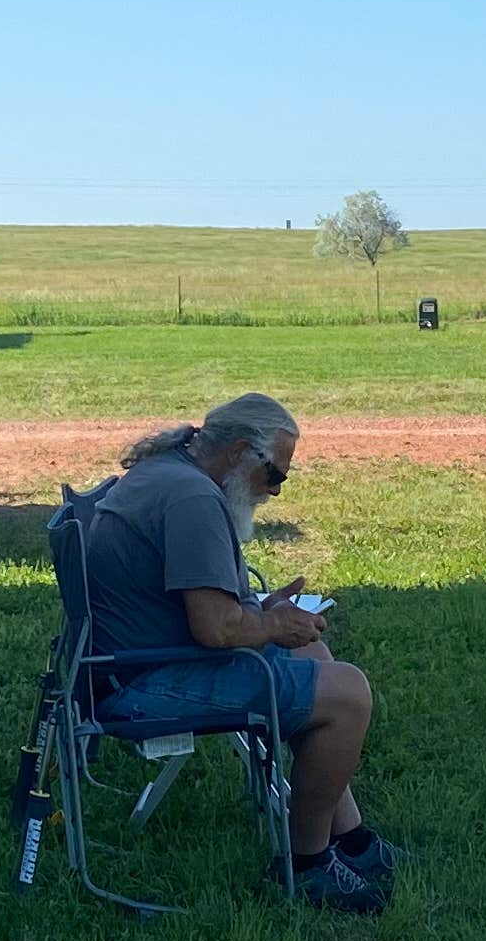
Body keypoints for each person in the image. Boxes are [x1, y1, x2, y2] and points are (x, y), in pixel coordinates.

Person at [79, 391, 393, 912]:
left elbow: (195, 608)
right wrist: (270, 623)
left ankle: (350, 839)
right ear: (242, 452)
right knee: (349, 696)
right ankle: (308, 863)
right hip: (144, 683)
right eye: (275, 475)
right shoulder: (193, 499)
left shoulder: (168, 472)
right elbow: (215, 629)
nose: (275, 491)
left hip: (127, 664)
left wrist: (266, 615)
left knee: (315, 657)